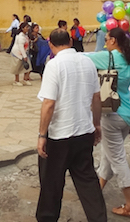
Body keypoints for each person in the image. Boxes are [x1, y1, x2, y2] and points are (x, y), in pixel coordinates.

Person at [36, 28, 106, 222]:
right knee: (87, 180)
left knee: (51, 182)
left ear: (51, 44)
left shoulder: (54, 65)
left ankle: (47, 218)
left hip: (59, 134)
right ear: (70, 41)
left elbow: (49, 103)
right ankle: (98, 217)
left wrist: (42, 134)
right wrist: (96, 124)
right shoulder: (87, 62)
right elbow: (97, 97)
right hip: (84, 131)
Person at [84, 27, 130, 218]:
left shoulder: (109, 57)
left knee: (118, 159)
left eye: (107, 39)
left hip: (112, 116)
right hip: (127, 114)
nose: (105, 42)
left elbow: (84, 58)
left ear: (114, 41)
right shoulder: (129, 59)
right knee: (108, 154)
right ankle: (96, 192)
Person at [10, 21, 32, 86]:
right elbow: (21, 47)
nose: (28, 28)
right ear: (22, 28)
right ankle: (16, 80)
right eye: (26, 27)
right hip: (17, 53)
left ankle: (25, 79)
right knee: (17, 67)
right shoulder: (20, 37)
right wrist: (24, 56)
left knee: (27, 66)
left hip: (24, 52)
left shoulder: (25, 35)